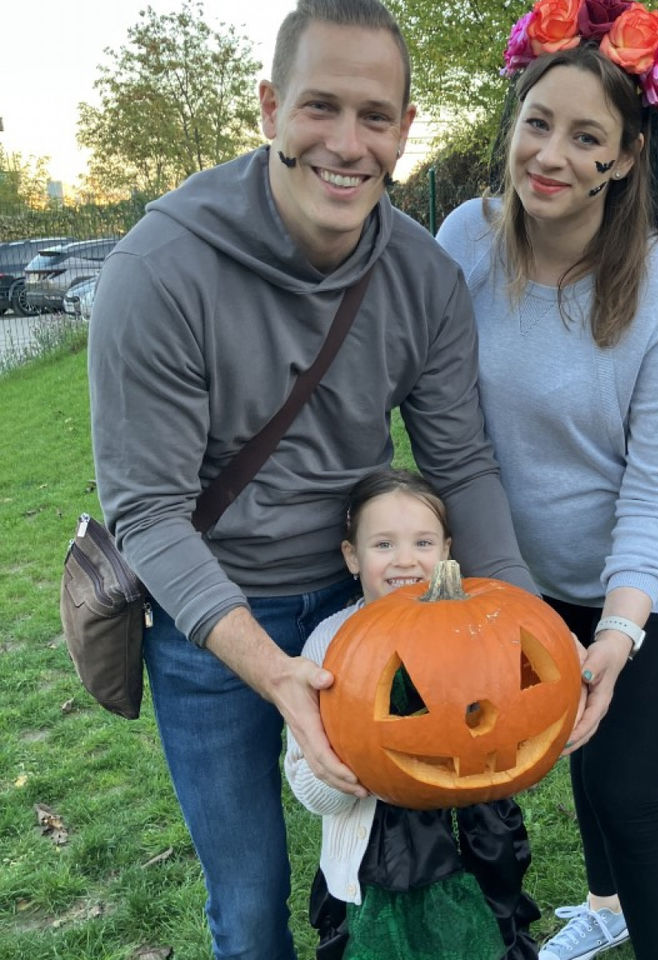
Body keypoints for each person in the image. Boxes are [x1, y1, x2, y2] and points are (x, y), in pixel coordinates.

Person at [87, 1, 537, 956]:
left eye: (375, 116)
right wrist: (271, 672)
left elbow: (460, 461)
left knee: (383, 879)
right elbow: (149, 512)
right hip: (206, 618)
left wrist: (524, 626)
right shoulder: (159, 270)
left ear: (406, 130)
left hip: (364, 604)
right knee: (248, 905)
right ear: (269, 108)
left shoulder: (423, 278)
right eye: (319, 107)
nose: (347, 142)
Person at [436, 3, 658, 959]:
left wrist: (618, 626)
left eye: (586, 136)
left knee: (632, 794)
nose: (552, 156)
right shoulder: (462, 243)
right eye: (538, 123)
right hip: (532, 572)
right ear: (511, 122)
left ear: (625, 157)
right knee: (578, 749)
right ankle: (605, 909)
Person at [286, 468, 540, 960]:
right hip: (371, 860)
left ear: (446, 551)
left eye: (423, 542)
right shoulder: (330, 644)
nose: (406, 560)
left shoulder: (481, 633)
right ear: (351, 557)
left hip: (474, 847)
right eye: (383, 545)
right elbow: (304, 776)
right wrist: (358, 766)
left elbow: (517, 725)